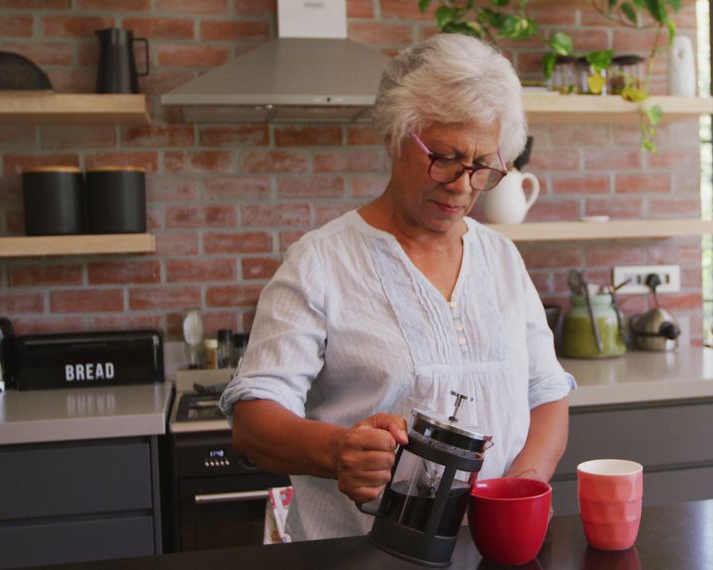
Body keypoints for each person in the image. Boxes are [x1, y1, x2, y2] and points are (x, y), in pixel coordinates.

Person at [219, 33, 575, 542]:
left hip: (491, 550)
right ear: (396, 137)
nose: (462, 185)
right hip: (356, 553)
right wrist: (337, 450)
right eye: (446, 157)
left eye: (482, 167)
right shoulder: (321, 262)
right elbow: (254, 421)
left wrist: (522, 485)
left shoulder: (500, 258)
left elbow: (546, 393)